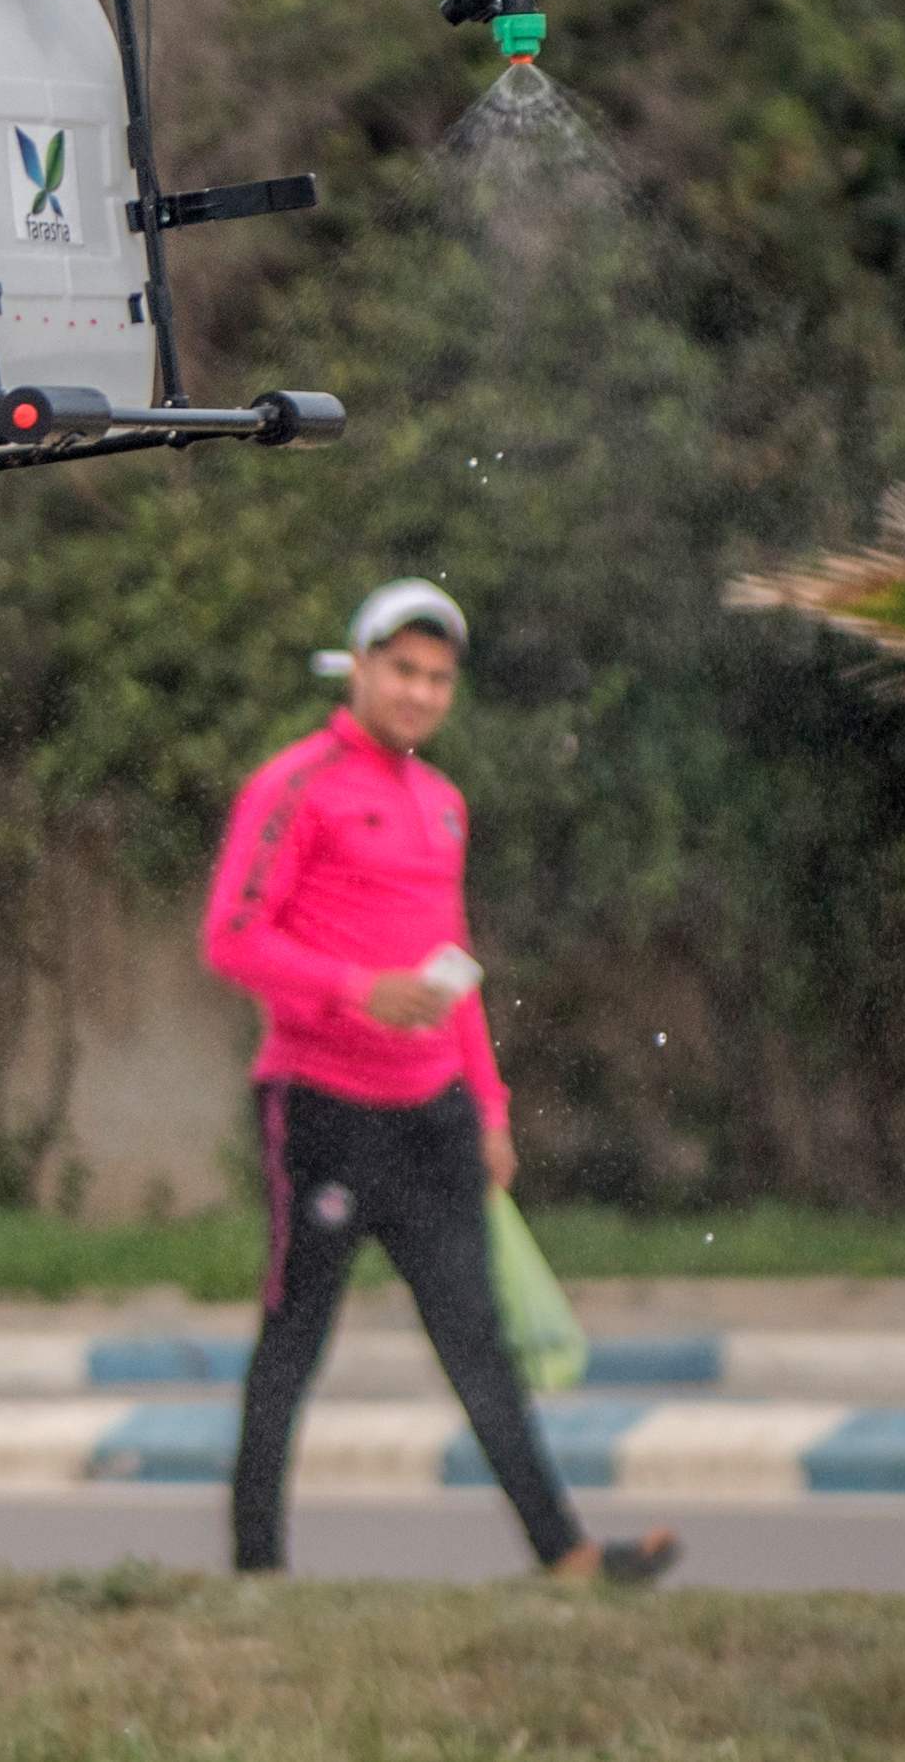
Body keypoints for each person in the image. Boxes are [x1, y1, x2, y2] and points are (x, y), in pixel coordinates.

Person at [200, 578, 678, 1585]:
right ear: (360, 669)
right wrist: (354, 991)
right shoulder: (296, 783)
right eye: (402, 670)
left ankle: (567, 1555)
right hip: (320, 1106)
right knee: (294, 1340)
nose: (418, 693)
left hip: (434, 1119)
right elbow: (230, 936)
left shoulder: (443, 804)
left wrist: (490, 1106)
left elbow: (453, 967)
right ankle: (256, 1570)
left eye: (437, 678)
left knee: (478, 1346)